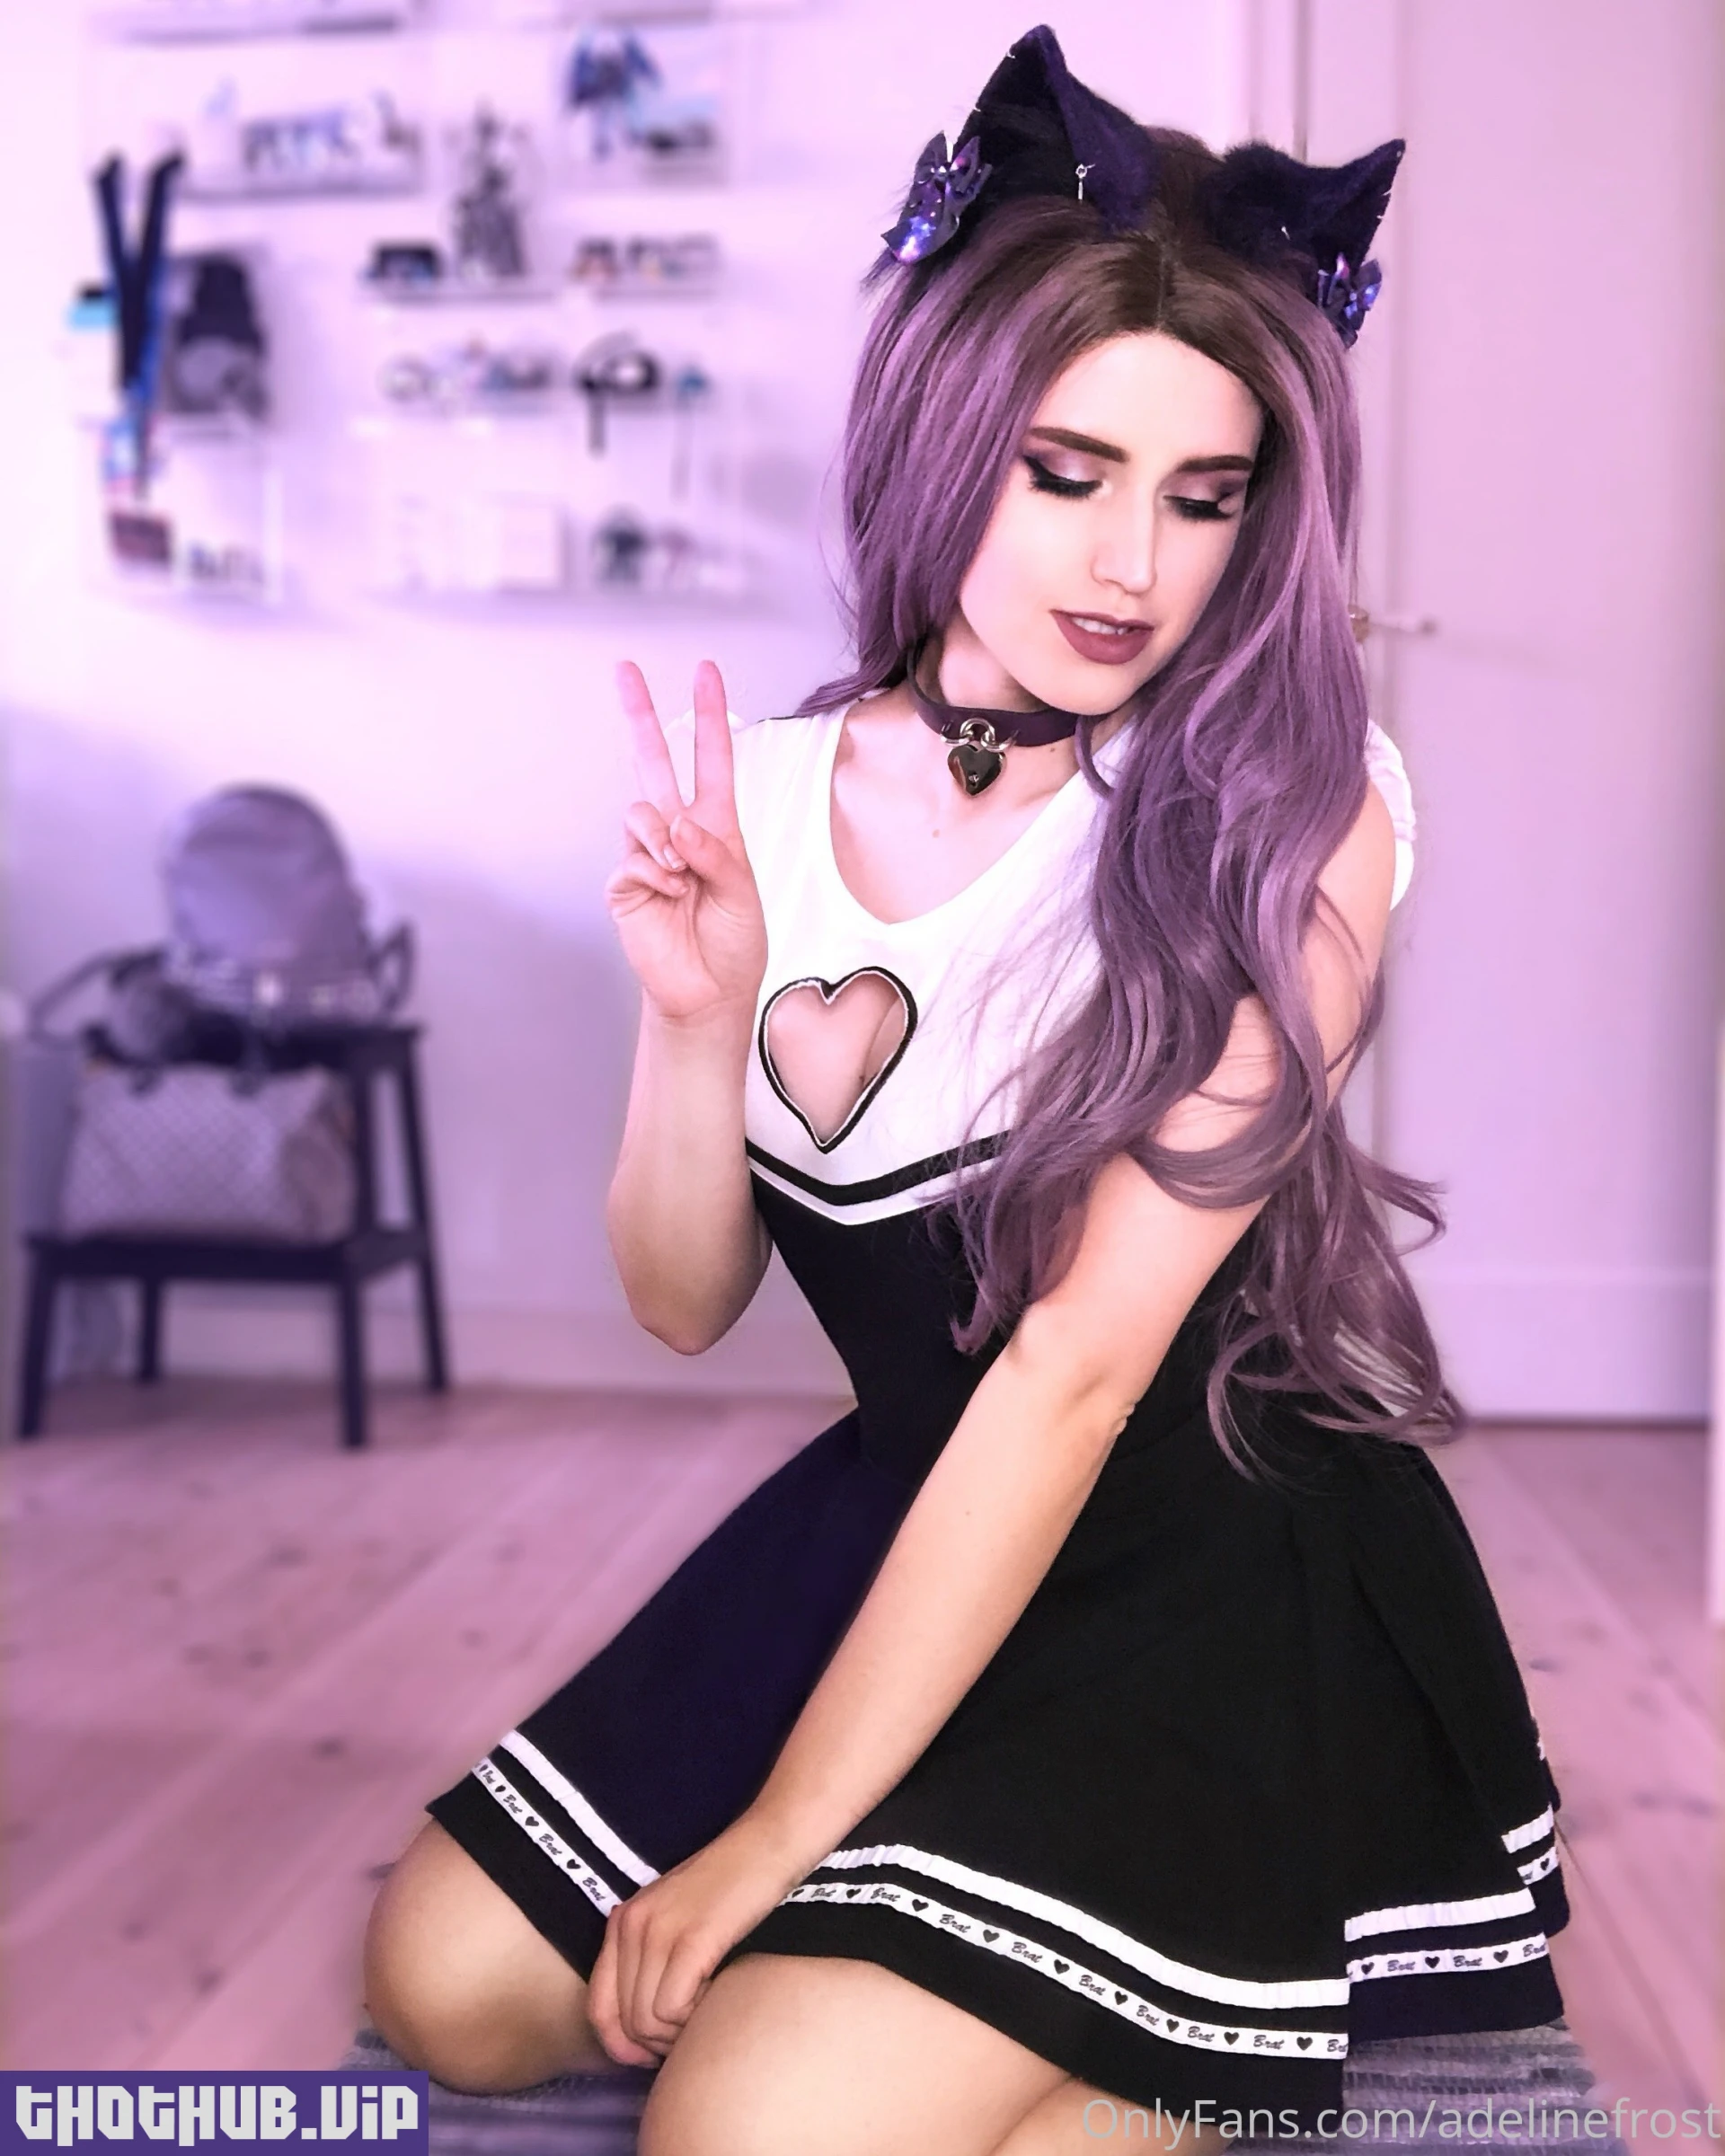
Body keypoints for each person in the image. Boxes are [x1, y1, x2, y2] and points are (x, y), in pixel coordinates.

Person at [363, 29, 1569, 2152]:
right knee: (448, 1991)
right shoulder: (764, 789)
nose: (1133, 568)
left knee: (745, 2125)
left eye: (1203, 497)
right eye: (1065, 471)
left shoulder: (1295, 814)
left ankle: (1219, 2069)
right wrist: (693, 1018)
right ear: (942, 439)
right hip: (910, 1508)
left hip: (1204, 1558)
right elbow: (682, 1303)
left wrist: (777, 1838)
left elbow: (1077, 1378)